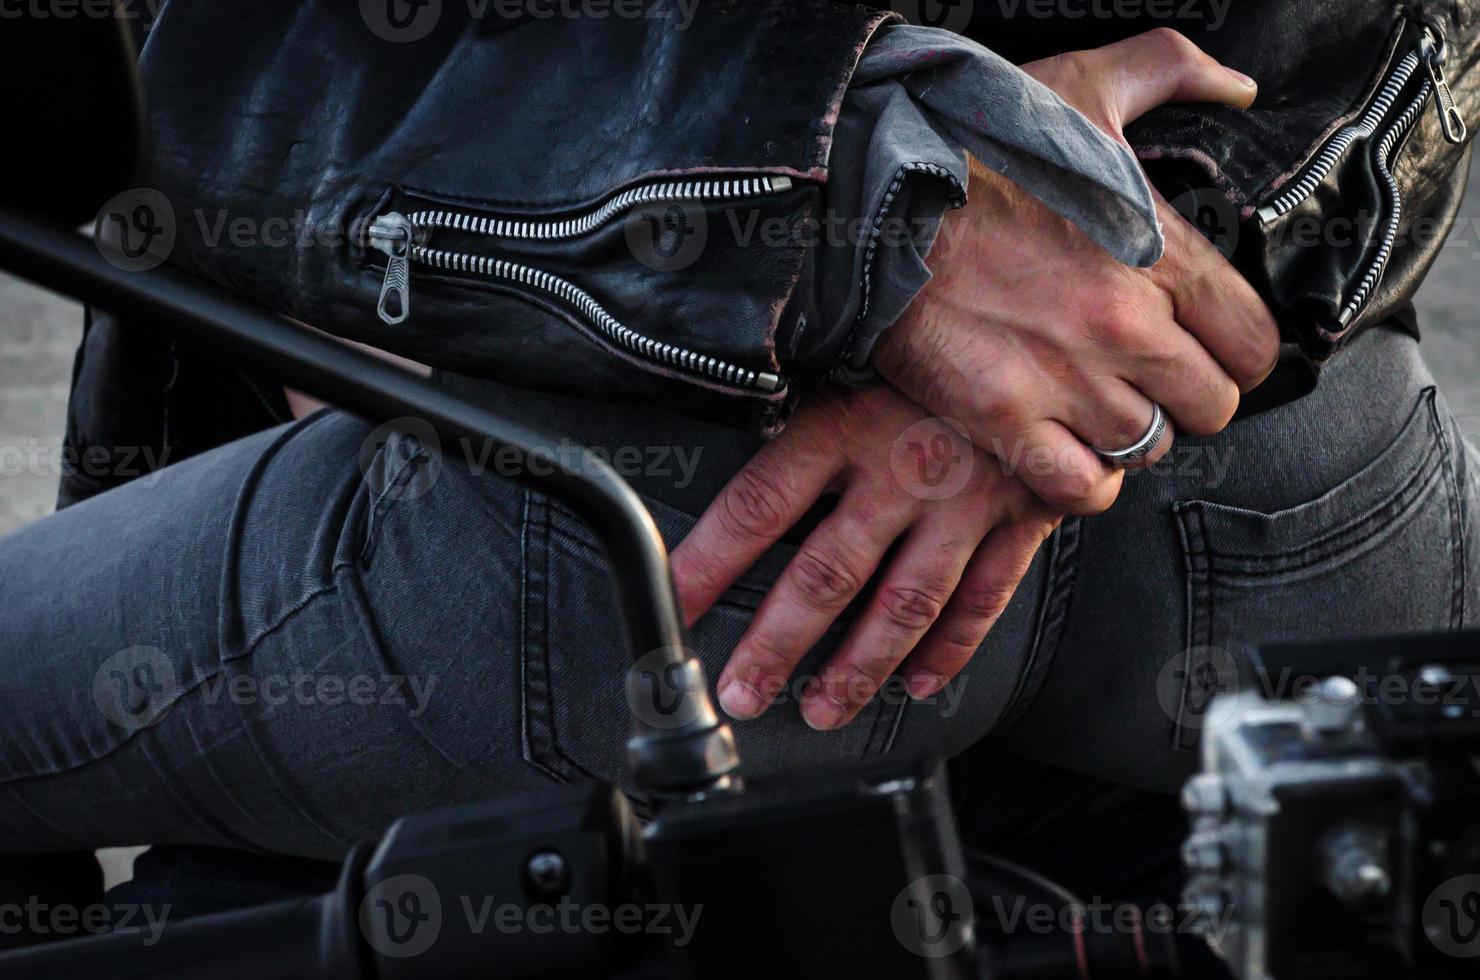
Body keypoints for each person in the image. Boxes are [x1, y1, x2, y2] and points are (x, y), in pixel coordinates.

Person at [0, 0, 1475, 941]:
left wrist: (890, 235)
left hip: (658, 546)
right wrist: (1149, 272)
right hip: (1293, 481)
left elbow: (208, 66)